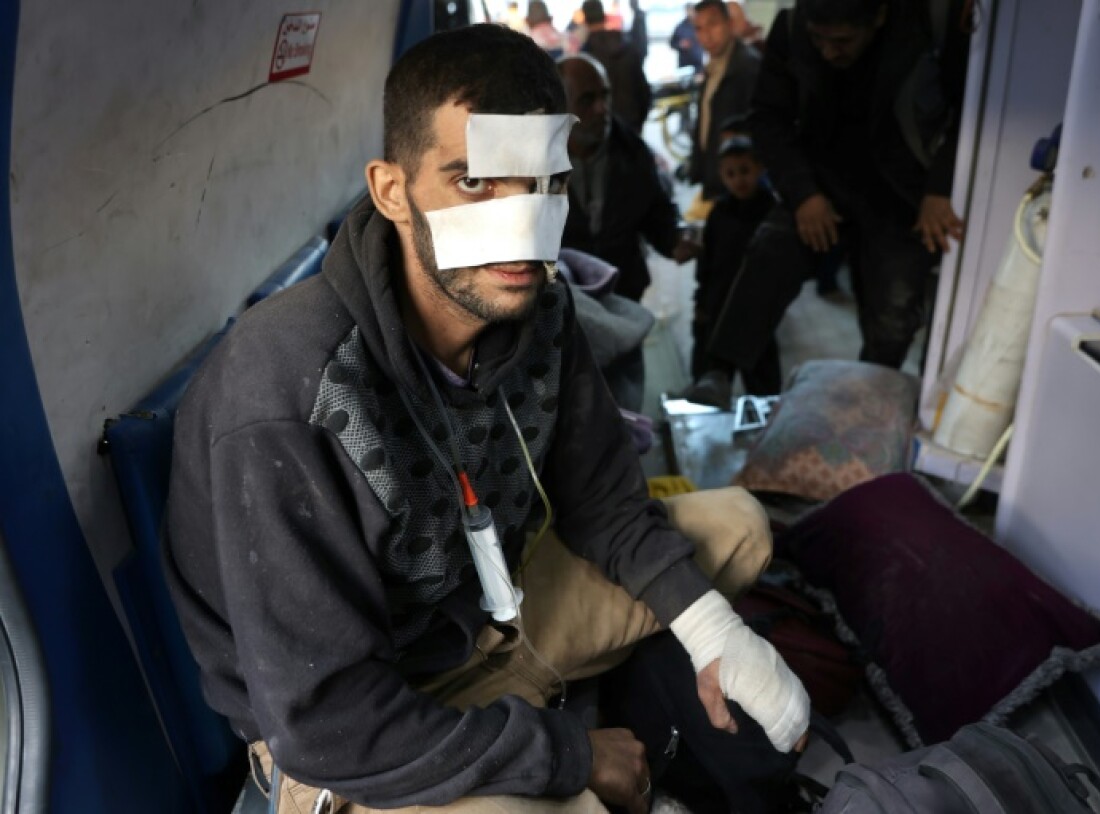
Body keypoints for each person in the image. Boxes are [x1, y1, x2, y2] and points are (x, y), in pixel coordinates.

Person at [164, 24, 809, 814]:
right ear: (391, 191)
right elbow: (329, 721)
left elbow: (606, 501)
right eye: (475, 183)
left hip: (479, 620)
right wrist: (570, 756)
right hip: (354, 726)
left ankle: (546, 698)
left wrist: (718, 636)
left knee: (740, 522)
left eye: (544, 184)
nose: (522, 230)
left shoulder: (539, 313)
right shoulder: (286, 388)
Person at [687, 0, 970, 409]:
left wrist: (940, 189)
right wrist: (803, 195)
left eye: (841, 41)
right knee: (769, 252)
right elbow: (768, 117)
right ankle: (719, 370)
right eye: (818, 39)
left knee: (892, 317)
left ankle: (869, 406)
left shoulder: (926, 25)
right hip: (821, 179)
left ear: (878, 15)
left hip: (899, 192)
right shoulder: (792, 27)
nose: (827, 51)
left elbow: (970, 111)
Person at [560, 53, 698, 302]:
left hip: (623, 295)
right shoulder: (531, 163)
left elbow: (655, 210)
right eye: (587, 100)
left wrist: (676, 236)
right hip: (563, 302)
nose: (602, 109)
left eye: (605, 95)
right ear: (558, 106)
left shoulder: (632, 151)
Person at [689, 137, 778, 393]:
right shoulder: (719, 212)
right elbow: (707, 261)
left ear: (759, 168)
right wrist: (701, 302)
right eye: (731, 173)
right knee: (711, 377)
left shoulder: (771, 211)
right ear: (721, 175)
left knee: (763, 382)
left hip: (757, 309)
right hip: (718, 305)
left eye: (745, 171)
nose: (739, 179)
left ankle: (764, 424)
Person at [689, 0, 761, 201]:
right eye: (699, 28)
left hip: (738, 184)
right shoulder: (713, 67)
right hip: (716, 176)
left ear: (729, 24)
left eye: (713, 24)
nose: (706, 35)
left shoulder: (748, 67)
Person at [580, 0, 653, 133]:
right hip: (632, 125)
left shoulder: (586, 56)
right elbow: (644, 90)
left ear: (584, 19)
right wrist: (638, 122)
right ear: (604, 16)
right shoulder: (628, 46)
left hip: (604, 131)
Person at [670, 4, 705, 70]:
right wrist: (680, 44)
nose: (690, 13)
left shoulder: (700, 25)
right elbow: (672, 43)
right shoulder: (680, 27)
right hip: (684, 63)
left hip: (698, 62)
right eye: (688, 10)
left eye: (691, 10)